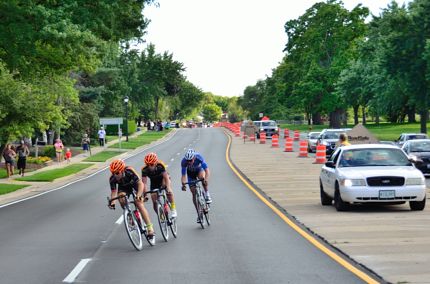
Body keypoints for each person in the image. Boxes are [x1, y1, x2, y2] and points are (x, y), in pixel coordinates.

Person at [108, 159, 155, 242]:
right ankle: (129, 215)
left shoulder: (129, 171)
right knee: (121, 198)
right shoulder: (112, 179)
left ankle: (149, 227)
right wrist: (112, 202)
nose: (115, 175)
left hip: (135, 185)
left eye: (117, 173)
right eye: (113, 173)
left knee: (139, 203)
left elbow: (141, 184)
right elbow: (114, 192)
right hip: (124, 188)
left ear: (122, 170)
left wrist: (139, 195)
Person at [141, 152, 177, 218]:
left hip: (163, 178)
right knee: (154, 200)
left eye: (151, 164)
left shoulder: (160, 165)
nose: (150, 166)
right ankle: (161, 217)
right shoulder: (144, 170)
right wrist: (145, 194)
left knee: (167, 189)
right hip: (154, 182)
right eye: (148, 164)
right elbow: (144, 183)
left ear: (155, 162)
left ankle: (173, 208)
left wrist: (168, 187)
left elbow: (166, 177)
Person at [181, 149, 212, 223]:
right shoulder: (184, 161)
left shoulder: (199, 157)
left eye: (190, 160)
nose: (189, 162)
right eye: (188, 160)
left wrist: (206, 180)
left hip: (199, 171)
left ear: (194, 158)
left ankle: (207, 194)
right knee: (193, 192)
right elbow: (183, 175)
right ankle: (199, 213)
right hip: (190, 175)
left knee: (202, 179)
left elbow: (207, 170)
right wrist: (183, 184)